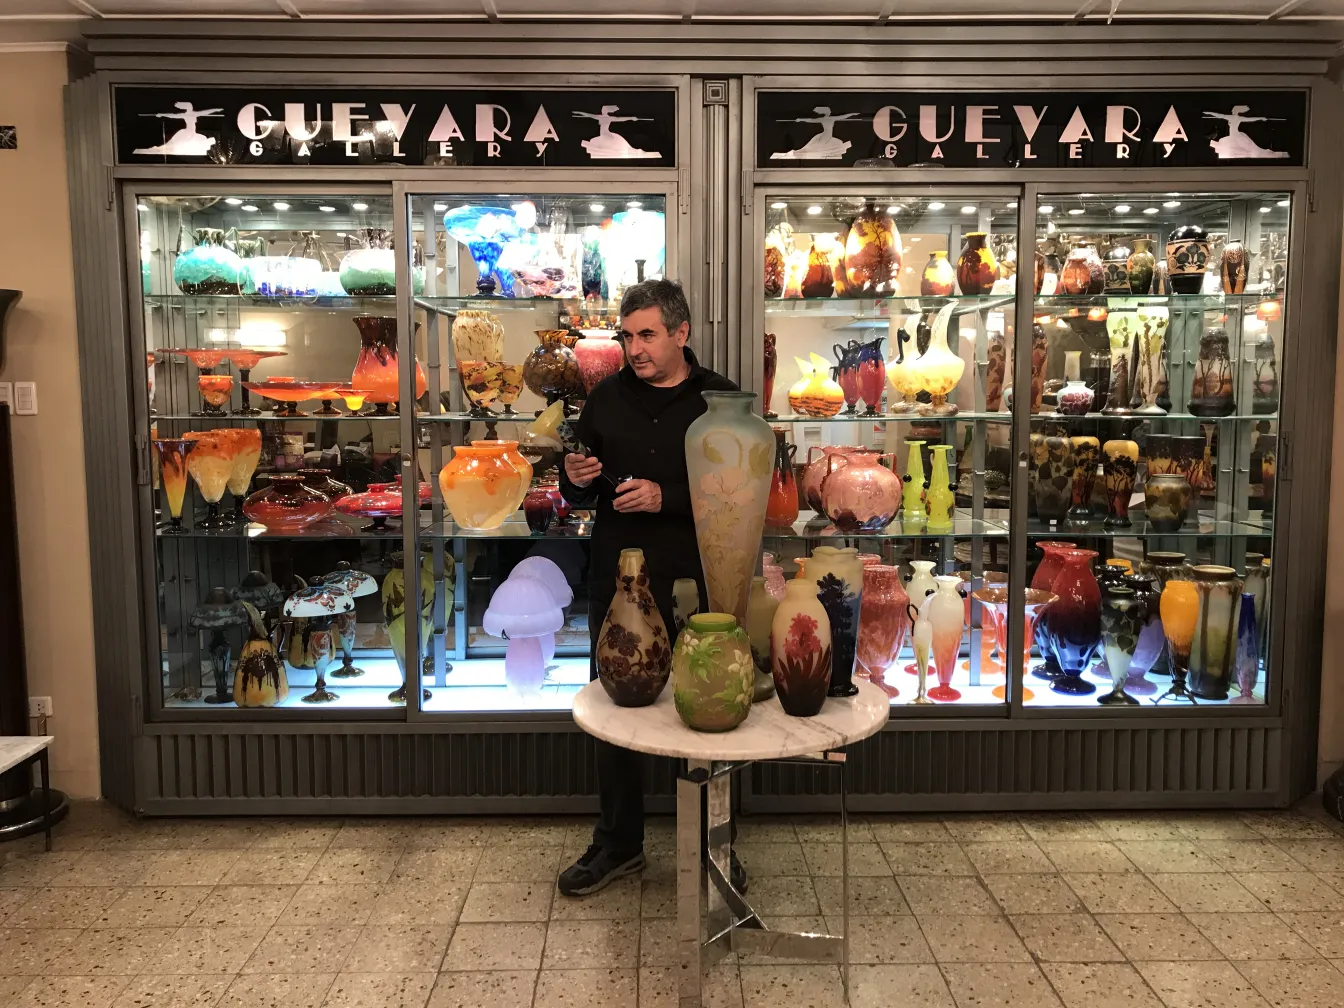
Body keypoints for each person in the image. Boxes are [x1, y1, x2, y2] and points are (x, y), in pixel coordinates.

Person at [557, 278, 747, 897]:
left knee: (712, 707)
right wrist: (574, 476)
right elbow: (577, 490)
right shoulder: (605, 397)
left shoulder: (721, 402)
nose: (634, 349)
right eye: (626, 336)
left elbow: (741, 493)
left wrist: (667, 497)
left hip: (700, 580)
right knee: (617, 712)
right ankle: (619, 843)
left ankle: (716, 845)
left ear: (681, 333)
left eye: (647, 335)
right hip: (620, 583)